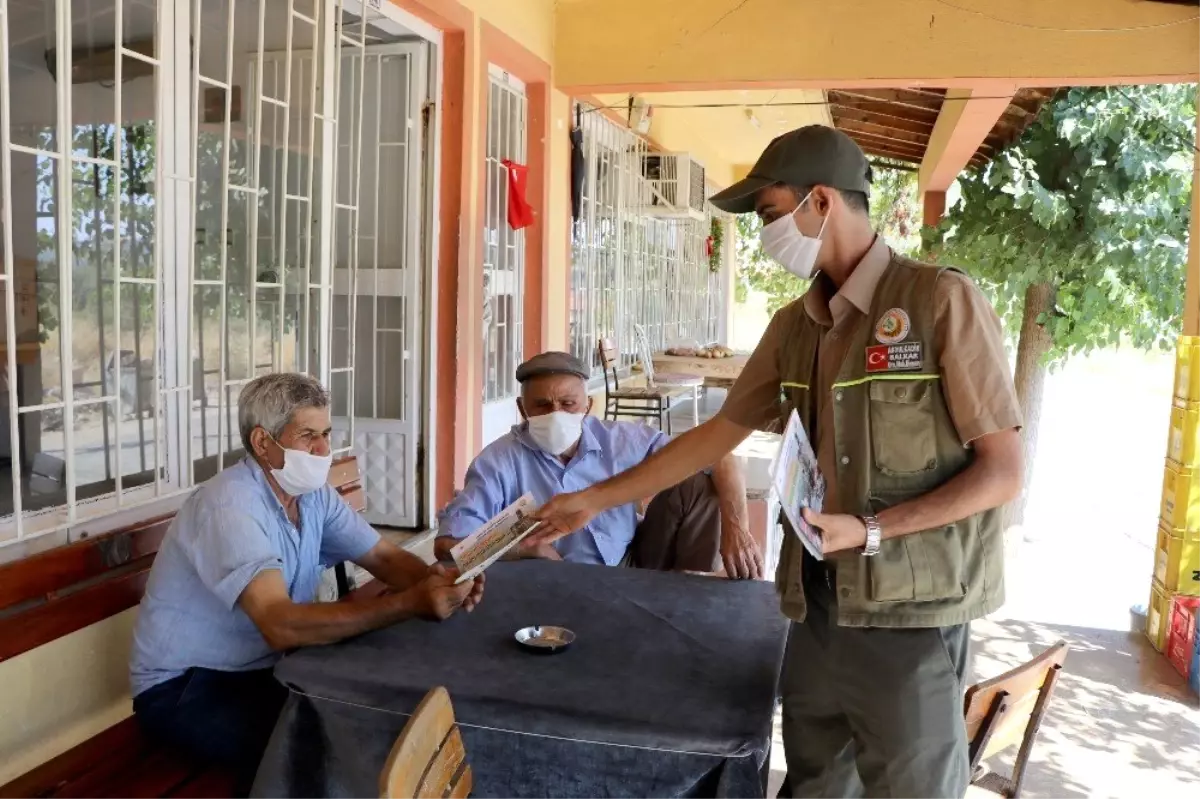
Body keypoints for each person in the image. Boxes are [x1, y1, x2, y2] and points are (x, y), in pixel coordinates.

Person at [529, 126, 1024, 798]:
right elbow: (718, 434)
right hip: (816, 607)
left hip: (908, 616)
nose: (766, 233)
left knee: (914, 787)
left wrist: (874, 529)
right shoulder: (795, 327)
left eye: (769, 213)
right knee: (817, 782)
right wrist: (593, 498)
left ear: (820, 201)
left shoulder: (937, 302)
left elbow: (1002, 471)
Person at [130, 373, 485, 785]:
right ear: (263, 443)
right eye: (307, 436)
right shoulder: (231, 507)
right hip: (188, 688)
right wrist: (408, 603)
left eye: (327, 434)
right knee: (317, 753)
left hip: (265, 668)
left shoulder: (310, 493)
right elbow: (279, 624)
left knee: (375, 715)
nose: (323, 450)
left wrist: (440, 581)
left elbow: (383, 557)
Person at [435, 351, 763, 579]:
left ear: (588, 405)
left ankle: (689, 596)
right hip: (554, 578)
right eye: (542, 405)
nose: (556, 414)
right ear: (522, 410)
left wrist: (737, 529)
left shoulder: (619, 440)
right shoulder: (498, 462)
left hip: (632, 560)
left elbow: (718, 453)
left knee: (697, 485)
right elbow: (449, 548)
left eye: (568, 404)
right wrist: (525, 550)